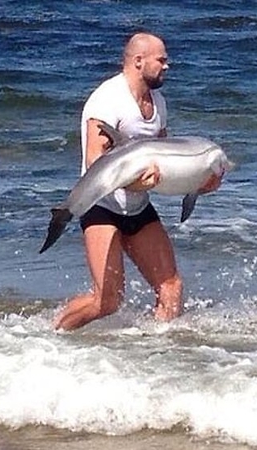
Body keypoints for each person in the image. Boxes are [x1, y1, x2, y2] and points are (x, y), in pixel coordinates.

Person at [54, 32, 222, 331]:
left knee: (171, 288)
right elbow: (96, 162)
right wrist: (133, 184)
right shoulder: (107, 100)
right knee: (106, 302)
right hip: (102, 206)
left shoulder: (158, 101)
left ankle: (152, 357)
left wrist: (196, 183)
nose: (167, 66)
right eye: (162, 60)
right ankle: (46, 337)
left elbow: (166, 156)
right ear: (138, 61)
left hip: (139, 206)